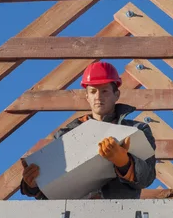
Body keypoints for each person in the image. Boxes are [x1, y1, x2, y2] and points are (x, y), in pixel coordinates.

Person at [20, 61, 157, 199]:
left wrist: (125, 163)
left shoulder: (137, 131)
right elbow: (54, 194)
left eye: (104, 91)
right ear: (87, 96)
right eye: (93, 91)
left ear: (116, 94)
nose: (98, 96)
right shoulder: (67, 136)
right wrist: (34, 185)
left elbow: (147, 177)